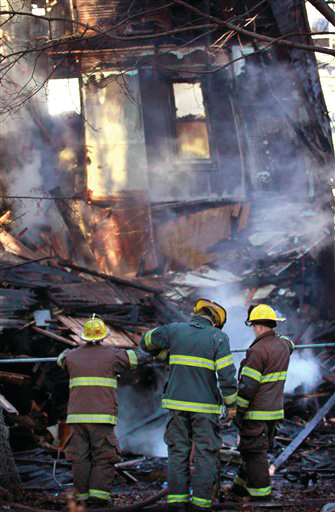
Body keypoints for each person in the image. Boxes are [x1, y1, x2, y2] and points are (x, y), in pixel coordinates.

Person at [141, 299, 237, 512]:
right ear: (215, 322)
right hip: (205, 408)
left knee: (177, 452)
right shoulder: (218, 337)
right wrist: (231, 406)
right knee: (205, 454)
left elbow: (145, 341)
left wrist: (166, 355)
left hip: (176, 405)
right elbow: (227, 376)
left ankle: (177, 503)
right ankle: (201, 505)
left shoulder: (174, 330)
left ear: (196, 314)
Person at [57, 314, 150, 509]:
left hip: (76, 418)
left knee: (80, 458)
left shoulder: (71, 356)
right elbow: (137, 359)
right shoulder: (112, 355)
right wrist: (153, 348)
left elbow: (61, 359)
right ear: (102, 336)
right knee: (104, 455)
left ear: (84, 336)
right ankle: (98, 498)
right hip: (101, 418)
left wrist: (67, 351)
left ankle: (81, 498)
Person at [225, 304, 294, 502]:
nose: (254, 330)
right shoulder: (283, 345)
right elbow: (290, 344)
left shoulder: (257, 350)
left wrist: (238, 412)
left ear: (260, 327)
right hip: (274, 413)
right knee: (250, 449)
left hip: (256, 413)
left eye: (254, 326)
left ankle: (262, 497)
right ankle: (239, 488)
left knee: (254, 453)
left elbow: (247, 387)